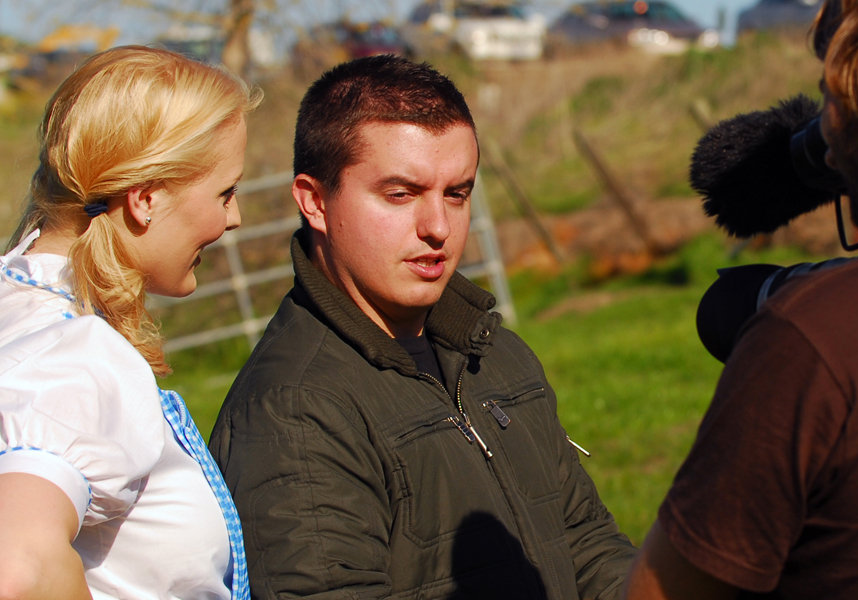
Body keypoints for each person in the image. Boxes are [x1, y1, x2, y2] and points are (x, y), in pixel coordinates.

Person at [209, 54, 636, 599]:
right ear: (314, 201)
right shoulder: (294, 410)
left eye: (456, 193)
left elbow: (585, 544)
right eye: (400, 194)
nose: (437, 227)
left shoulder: (494, 352)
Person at [624, 0, 858, 597]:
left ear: (856, 118)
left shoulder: (817, 338)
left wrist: (796, 307)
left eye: (829, 98)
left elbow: (662, 590)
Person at [0, 45, 261, 599]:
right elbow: (19, 569)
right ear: (144, 200)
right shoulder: (77, 355)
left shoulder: (17, 305)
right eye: (224, 192)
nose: (234, 217)